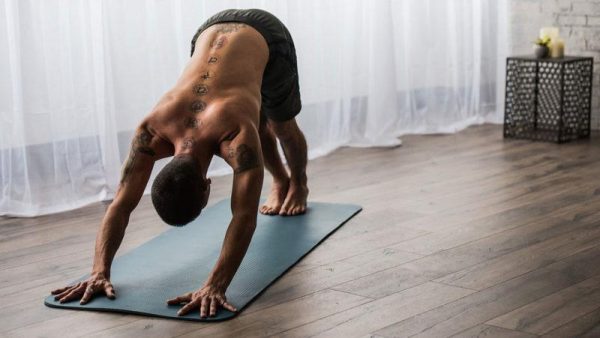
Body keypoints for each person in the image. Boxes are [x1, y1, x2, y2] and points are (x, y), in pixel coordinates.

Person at [50, 9, 309, 318]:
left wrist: (215, 285)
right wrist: (98, 271)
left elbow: (243, 218)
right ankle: (280, 182)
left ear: (207, 186)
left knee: (280, 127)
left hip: (267, 35)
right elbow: (120, 204)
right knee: (258, 123)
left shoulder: (234, 133)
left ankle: (299, 185)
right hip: (210, 30)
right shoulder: (151, 130)